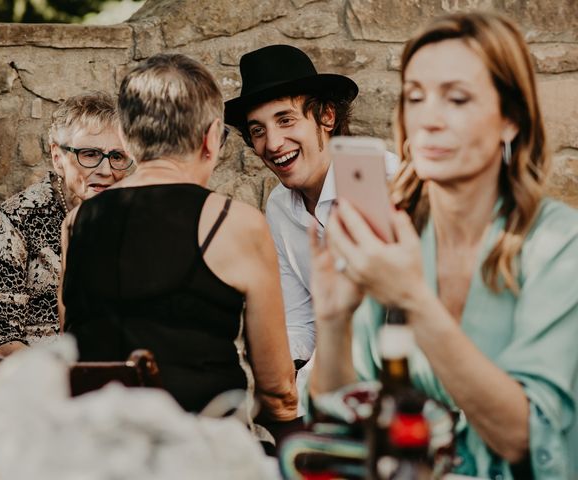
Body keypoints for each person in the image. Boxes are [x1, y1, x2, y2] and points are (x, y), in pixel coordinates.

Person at [308, 12, 578, 479]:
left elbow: (524, 436)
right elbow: (341, 423)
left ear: (510, 120)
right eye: (415, 96)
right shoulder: (396, 234)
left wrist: (413, 299)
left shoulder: (557, 244)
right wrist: (333, 322)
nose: (428, 119)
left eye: (456, 98)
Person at [60, 54, 297, 430]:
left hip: (100, 450)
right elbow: (279, 391)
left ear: (129, 141)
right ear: (210, 137)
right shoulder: (236, 223)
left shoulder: (77, 222)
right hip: (201, 454)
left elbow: (76, 347)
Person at [225, 45, 397, 370]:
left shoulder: (384, 182)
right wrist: (261, 367)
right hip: (331, 384)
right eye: (258, 130)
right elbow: (300, 323)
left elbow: (375, 324)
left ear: (326, 116)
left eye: (286, 120)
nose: (273, 144)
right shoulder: (278, 206)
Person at [0, 92, 131, 355]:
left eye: (118, 156)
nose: (107, 171)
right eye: (90, 154)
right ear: (57, 157)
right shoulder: (23, 214)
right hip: (42, 366)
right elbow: (2, 338)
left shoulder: (135, 214)